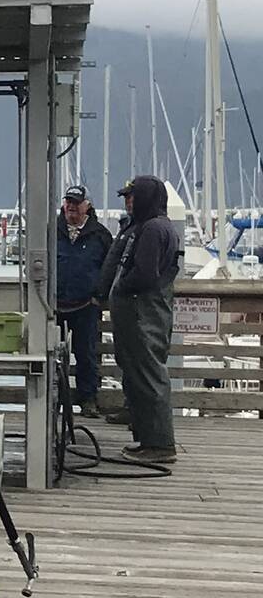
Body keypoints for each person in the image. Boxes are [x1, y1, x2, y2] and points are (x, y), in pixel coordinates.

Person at [105, 175, 181, 463]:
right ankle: (148, 438)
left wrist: (121, 286)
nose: (129, 201)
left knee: (149, 376)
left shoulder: (151, 229)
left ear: (147, 197)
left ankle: (160, 445)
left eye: (133, 196)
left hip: (142, 315)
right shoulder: (158, 227)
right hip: (141, 314)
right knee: (140, 375)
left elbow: (145, 274)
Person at [54, 184, 113, 415]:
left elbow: (110, 268)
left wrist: (100, 295)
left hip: (86, 305)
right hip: (54, 305)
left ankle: (88, 400)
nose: (71, 207)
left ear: (87, 206)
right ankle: (55, 399)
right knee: (52, 356)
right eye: (68, 201)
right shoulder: (51, 230)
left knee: (86, 354)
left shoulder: (100, 235)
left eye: (76, 203)